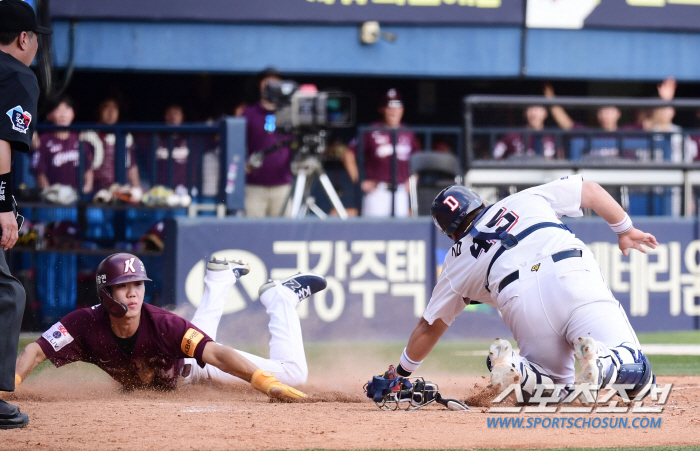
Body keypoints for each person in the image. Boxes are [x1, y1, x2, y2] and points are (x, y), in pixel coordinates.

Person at [373, 176, 657, 403]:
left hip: (519, 297)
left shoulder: (456, 261)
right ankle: (607, 364)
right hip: (570, 271)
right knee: (639, 374)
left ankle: (519, 368)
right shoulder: (523, 198)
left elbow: (430, 326)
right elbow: (591, 191)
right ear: (480, 201)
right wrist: (625, 230)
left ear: (450, 233)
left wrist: (400, 374)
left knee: (556, 387)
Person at [15, 253, 326, 397]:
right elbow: (36, 350)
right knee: (193, 335)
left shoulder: (162, 323)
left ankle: (280, 298)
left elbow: (215, 354)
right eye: (124, 286)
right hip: (178, 356)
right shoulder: (83, 324)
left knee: (294, 374)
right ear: (106, 292)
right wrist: (12, 381)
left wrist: (261, 380)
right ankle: (219, 281)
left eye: (138, 284)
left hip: (196, 371)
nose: (134, 292)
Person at [0, 0, 52, 429]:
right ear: (23, 38)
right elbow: (0, 142)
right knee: (7, 295)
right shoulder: (17, 74)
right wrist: (2, 205)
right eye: (35, 37)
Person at [344, 88, 421, 217]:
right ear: (382, 109)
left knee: (399, 234)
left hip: (400, 191)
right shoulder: (372, 130)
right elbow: (348, 154)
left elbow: (418, 159)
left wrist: (413, 181)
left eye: (397, 105)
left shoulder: (408, 133)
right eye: (389, 106)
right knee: (373, 233)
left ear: (402, 109)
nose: (393, 110)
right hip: (377, 191)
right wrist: (359, 181)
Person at [241, 67, 293, 217]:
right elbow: (237, 144)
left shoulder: (289, 112)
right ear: (260, 84)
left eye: (275, 81)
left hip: (282, 185)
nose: (271, 85)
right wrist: (242, 163)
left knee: (284, 233)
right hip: (254, 187)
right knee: (253, 233)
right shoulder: (249, 113)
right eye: (267, 81)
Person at [32, 96, 93, 193]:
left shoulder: (79, 138)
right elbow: (40, 173)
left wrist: (85, 190)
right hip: (53, 199)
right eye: (58, 109)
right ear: (49, 115)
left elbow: (88, 170)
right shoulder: (44, 140)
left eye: (67, 109)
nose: (63, 114)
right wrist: (49, 193)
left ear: (73, 114)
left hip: (76, 197)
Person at [81, 98, 141, 192]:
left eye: (114, 108)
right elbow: (86, 167)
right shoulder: (89, 136)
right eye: (106, 108)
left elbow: (131, 166)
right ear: (99, 111)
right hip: (96, 190)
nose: (111, 112)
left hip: (120, 189)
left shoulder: (125, 136)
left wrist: (137, 187)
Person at [155, 104, 191, 189]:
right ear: (165, 117)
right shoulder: (156, 139)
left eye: (176, 113)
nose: (173, 117)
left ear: (182, 117)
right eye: (170, 114)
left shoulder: (191, 138)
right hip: (160, 188)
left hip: (185, 189)